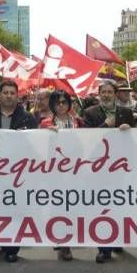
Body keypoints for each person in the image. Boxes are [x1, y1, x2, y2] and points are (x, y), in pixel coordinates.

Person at [0, 80, 37, 263]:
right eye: (6, 92)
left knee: (17, 209)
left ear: (17, 95)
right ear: (0, 95)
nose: (9, 96)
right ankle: (3, 241)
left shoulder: (28, 118)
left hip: (18, 173)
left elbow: (36, 144)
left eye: (12, 93)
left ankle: (12, 247)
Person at [82, 80, 135, 263]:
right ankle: (104, 247)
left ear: (115, 94)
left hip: (120, 167)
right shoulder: (90, 113)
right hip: (99, 167)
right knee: (102, 207)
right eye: (103, 92)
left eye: (109, 92)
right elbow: (87, 139)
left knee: (119, 204)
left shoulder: (127, 113)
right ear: (99, 94)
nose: (106, 95)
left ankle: (117, 238)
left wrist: (129, 131)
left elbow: (135, 141)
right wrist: (106, 125)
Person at [40, 90, 83, 261]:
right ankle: (61, 241)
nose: (61, 105)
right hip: (54, 171)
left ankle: (66, 239)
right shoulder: (45, 123)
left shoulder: (77, 122)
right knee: (57, 205)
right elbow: (39, 145)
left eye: (64, 102)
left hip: (74, 169)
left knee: (71, 206)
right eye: (58, 102)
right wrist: (48, 135)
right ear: (52, 105)